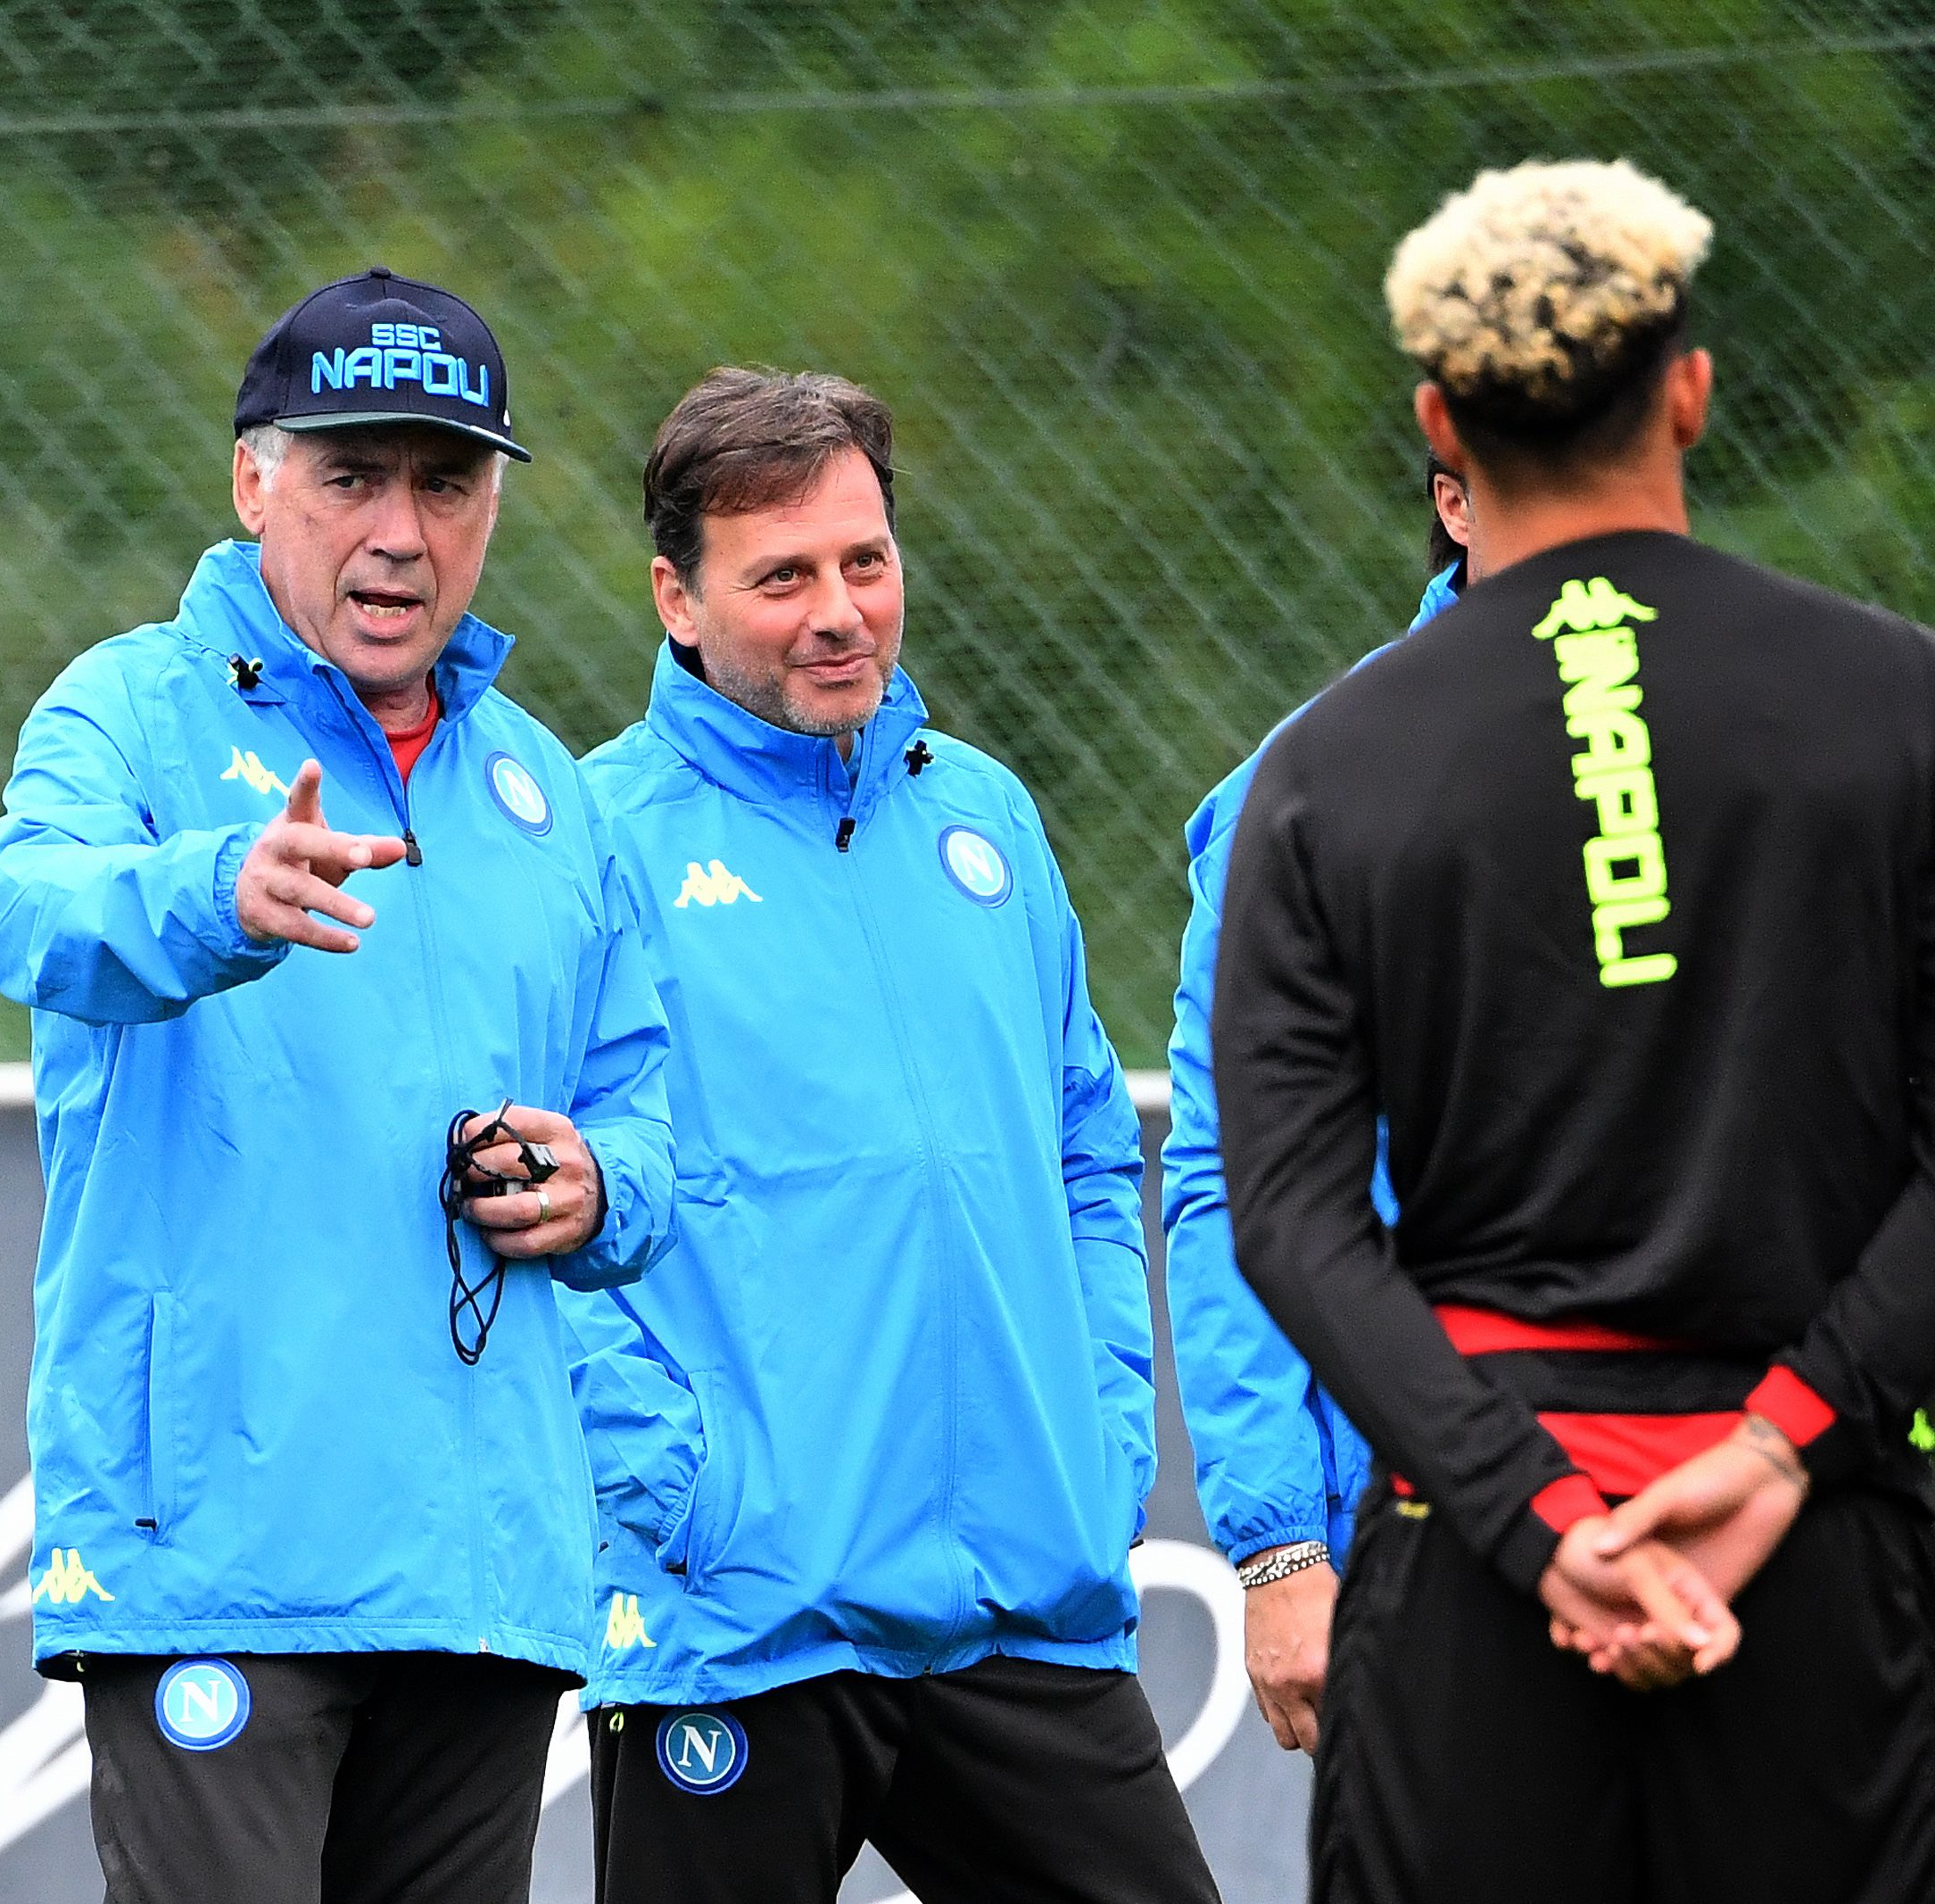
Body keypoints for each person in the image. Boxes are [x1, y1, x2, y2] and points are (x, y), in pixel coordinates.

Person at [1215, 157, 1935, 1902]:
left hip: (1475, 1563)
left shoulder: (1325, 769)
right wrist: (1779, 1443)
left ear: (1438, 421)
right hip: (1819, 1548)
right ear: (1688, 391)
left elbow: (1290, 1216)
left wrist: (1534, 1521)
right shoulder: (1897, 705)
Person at [0, 266, 675, 1904]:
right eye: (353, 476)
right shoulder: (128, 707)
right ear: (253, 482)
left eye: (448, 483)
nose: (402, 532)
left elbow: (644, 1116)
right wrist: (218, 890)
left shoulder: (546, 789)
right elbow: (25, 907)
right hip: (216, 1551)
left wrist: (596, 1184)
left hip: (482, 1574)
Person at [565, 368, 1218, 1904]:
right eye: (782, 576)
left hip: (1022, 1597)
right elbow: (526, 1212)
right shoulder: (592, 845)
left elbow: (1084, 1152)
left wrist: (1101, 1436)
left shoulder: (987, 816)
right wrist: (682, 1489)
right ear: (677, 597)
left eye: (865, 560)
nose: (840, 612)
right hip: (741, 1616)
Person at [1161, 455, 1470, 1756]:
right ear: (1453, 497)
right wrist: (1280, 1545)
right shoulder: (1304, 791)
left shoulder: (1749, 740)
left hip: (1725, 1503)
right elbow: (1230, 1174)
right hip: (1427, 1530)